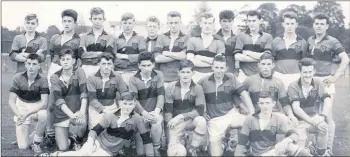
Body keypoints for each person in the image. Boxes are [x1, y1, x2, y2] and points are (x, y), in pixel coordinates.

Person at [37, 92, 155, 157]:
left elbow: (146, 139)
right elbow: (95, 130)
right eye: (125, 104)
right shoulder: (110, 116)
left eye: (130, 104)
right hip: (98, 142)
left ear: (135, 104)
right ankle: (53, 155)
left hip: (109, 151)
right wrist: (91, 142)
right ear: (120, 103)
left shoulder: (137, 119)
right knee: (83, 153)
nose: (127, 107)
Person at [306, 13, 349, 154]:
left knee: (327, 116)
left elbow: (345, 59)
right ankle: (317, 146)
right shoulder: (309, 40)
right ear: (313, 25)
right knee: (312, 115)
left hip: (326, 80)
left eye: (322, 24)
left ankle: (328, 149)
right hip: (311, 82)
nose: (319, 26)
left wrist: (335, 77)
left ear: (327, 26)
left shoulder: (332, 41)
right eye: (316, 23)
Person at [198, 54, 255, 156]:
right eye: (216, 67)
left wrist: (251, 112)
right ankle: (224, 142)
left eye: (221, 68)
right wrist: (202, 111)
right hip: (214, 120)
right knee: (215, 154)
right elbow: (195, 96)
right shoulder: (203, 81)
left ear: (226, 68)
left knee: (247, 121)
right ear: (212, 67)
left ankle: (241, 148)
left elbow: (244, 94)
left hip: (230, 115)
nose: (219, 70)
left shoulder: (231, 78)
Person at [234, 91, 312, 156]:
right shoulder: (250, 120)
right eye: (262, 103)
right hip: (259, 154)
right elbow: (241, 144)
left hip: (275, 151)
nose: (265, 106)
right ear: (258, 104)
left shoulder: (278, 119)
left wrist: (285, 141)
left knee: (293, 147)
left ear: (273, 104)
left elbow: (295, 134)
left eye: (267, 103)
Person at [46, 9, 81, 147]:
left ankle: (73, 136)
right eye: (64, 21)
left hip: (69, 72)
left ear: (75, 23)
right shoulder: (55, 38)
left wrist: (74, 74)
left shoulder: (79, 40)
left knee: (68, 104)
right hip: (54, 69)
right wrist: (49, 70)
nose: (66, 24)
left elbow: (79, 59)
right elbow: (50, 55)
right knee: (51, 105)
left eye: (69, 21)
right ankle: (50, 135)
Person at [288, 58, 332, 156]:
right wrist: (311, 121)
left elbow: (327, 99)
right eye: (305, 72)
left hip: (313, 118)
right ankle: (309, 148)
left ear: (314, 71)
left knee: (323, 126)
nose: (308, 75)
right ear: (300, 72)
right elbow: (296, 108)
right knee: (301, 153)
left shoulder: (318, 82)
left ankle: (321, 153)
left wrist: (322, 116)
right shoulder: (293, 86)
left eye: (310, 72)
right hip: (298, 121)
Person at [164, 60, 207, 156]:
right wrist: (169, 133)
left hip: (188, 121)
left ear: (193, 73)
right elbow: (168, 112)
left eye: (188, 72)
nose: (185, 75)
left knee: (201, 121)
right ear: (178, 73)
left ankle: (192, 149)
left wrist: (181, 116)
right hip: (174, 123)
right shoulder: (170, 87)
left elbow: (200, 110)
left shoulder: (198, 88)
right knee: (175, 153)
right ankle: (181, 142)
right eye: (183, 72)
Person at [9, 53, 49, 154]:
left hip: (36, 106)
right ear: (25, 64)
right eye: (29, 63)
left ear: (39, 66)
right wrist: (19, 115)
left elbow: (44, 103)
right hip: (21, 106)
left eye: (34, 64)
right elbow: (11, 101)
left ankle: (37, 142)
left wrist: (27, 114)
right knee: (23, 147)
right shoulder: (17, 77)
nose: (31, 67)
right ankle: (39, 133)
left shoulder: (43, 79)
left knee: (43, 114)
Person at [242, 53, 298, 125]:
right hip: (255, 114)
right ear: (259, 65)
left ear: (273, 65)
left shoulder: (278, 82)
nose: (266, 67)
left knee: (287, 123)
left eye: (268, 64)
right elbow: (238, 95)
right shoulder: (249, 80)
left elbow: (285, 103)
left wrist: (291, 115)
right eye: (263, 64)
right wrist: (247, 110)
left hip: (273, 114)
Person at [50, 48, 88, 151]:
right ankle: (71, 138)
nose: (65, 62)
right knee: (63, 148)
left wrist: (82, 112)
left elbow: (84, 93)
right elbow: (59, 101)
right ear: (60, 61)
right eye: (63, 59)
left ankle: (79, 140)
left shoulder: (79, 71)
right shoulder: (54, 77)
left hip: (77, 110)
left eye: (68, 59)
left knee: (82, 121)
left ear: (74, 60)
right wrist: (71, 115)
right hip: (62, 114)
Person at [128, 52, 165, 156]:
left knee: (156, 122)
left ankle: (156, 147)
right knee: (141, 153)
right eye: (143, 66)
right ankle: (138, 141)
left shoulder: (159, 75)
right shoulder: (133, 79)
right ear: (139, 66)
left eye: (149, 65)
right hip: (140, 114)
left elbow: (161, 94)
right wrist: (143, 113)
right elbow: (134, 100)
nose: (146, 68)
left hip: (154, 112)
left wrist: (157, 112)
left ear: (153, 64)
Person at [87, 52, 128, 130]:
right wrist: (103, 110)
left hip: (112, 107)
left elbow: (124, 93)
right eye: (103, 64)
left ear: (113, 65)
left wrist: (123, 107)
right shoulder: (91, 77)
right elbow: (92, 99)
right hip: (96, 108)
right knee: (96, 130)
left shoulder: (117, 76)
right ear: (99, 64)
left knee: (114, 131)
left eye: (109, 64)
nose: (106, 67)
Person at [234, 10, 273, 83]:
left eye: (254, 21)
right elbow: (237, 56)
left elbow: (267, 56)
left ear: (260, 21)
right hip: (244, 74)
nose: (251, 24)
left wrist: (248, 53)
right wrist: (261, 58)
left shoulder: (267, 37)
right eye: (249, 21)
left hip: (262, 74)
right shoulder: (241, 36)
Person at [272, 11, 308, 89]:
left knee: (295, 100)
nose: (290, 26)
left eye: (292, 24)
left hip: (295, 76)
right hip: (279, 76)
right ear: (283, 24)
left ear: (296, 25)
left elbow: (303, 61)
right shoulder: (276, 41)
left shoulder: (303, 42)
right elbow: (272, 60)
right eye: (287, 24)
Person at [187, 12, 226, 83]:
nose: (207, 26)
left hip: (213, 76)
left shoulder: (219, 42)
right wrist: (212, 63)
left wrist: (199, 57)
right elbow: (190, 61)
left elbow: (219, 63)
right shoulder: (192, 40)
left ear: (213, 25)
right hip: (195, 75)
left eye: (210, 23)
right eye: (205, 23)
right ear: (200, 24)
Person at [154, 11, 189, 87]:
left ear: (180, 23)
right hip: (163, 79)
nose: (173, 25)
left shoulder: (186, 37)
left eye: (176, 23)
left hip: (180, 79)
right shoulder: (161, 37)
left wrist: (167, 53)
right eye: (171, 23)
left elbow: (184, 56)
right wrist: (177, 56)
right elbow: (157, 58)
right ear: (167, 23)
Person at [78, 7, 115, 77]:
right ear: (90, 19)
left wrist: (88, 54)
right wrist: (100, 53)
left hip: (102, 68)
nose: (97, 21)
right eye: (95, 19)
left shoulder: (110, 37)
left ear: (104, 20)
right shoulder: (84, 36)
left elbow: (108, 54)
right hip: (86, 68)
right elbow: (81, 54)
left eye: (100, 19)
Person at [115, 12, 146, 84]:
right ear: (121, 23)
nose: (127, 26)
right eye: (125, 23)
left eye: (130, 23)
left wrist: (124, 56)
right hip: (119, 72)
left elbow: (142, 57)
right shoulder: (116, 39)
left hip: (134, 72)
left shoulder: (140, 38)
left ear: (134, 24)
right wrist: (132, 60)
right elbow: (113, 58)